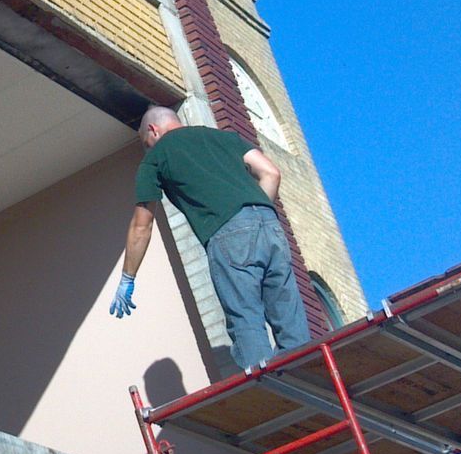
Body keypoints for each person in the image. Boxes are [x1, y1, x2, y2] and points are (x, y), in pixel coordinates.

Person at [108, 105, 310, 372]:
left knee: (246, 319)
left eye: (147, 143)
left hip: (226, 232)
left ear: (153, 131)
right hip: (269, 224)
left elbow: (142, 225)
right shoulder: (225, 138)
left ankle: (270, 391)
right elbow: (271, 172)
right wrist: (251, 217)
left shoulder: (156, 157)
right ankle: (309, 381)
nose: (148, 148)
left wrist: (127, 278)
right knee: (290, 317)